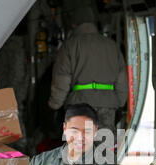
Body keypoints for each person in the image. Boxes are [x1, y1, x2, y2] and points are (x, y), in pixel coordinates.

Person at [48, 6, 128, 136]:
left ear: (74, 24)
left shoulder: (70, 45)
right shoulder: (111, 45)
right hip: (107, 106)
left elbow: (62, 79)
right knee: (104, 150)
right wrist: (118, 102)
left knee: (81, 150)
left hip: (79, 105)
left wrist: (54, 105)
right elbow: (122, 80)